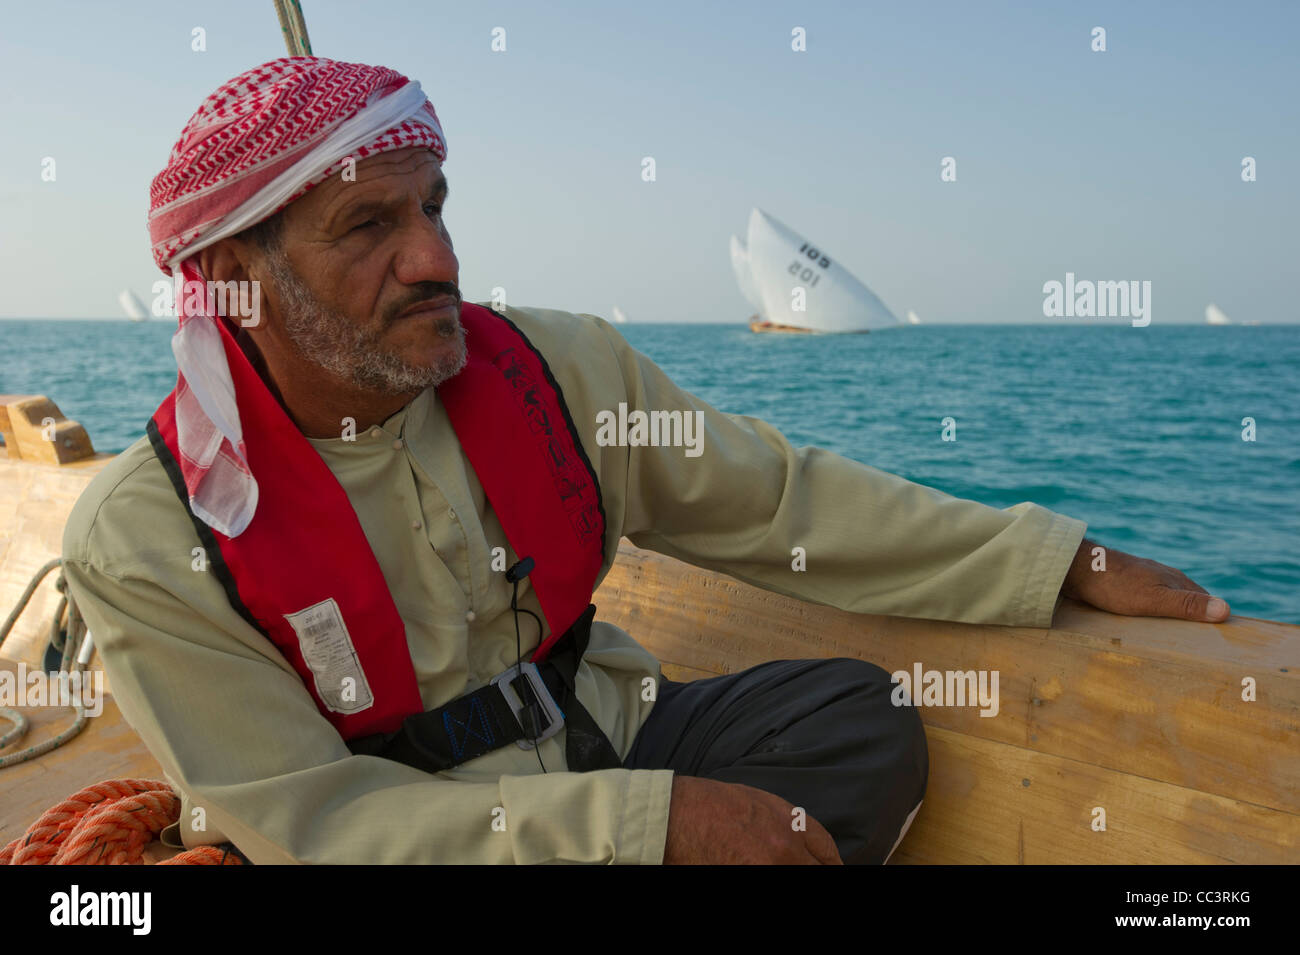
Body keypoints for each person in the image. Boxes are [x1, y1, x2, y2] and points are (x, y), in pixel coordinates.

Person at [61, 57, 1229, 866]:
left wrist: (1050, 554)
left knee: (854, 720)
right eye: (371, 226)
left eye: (433, 206)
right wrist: (643, 829)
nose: (435, 257)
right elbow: (308, 822)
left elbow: (782, 503)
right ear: (237, 280)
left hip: (604, 736)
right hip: (401, 841)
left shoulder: (555, 369)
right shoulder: (148, 535)